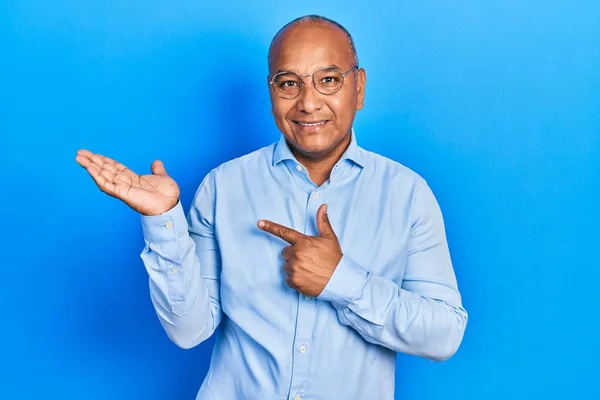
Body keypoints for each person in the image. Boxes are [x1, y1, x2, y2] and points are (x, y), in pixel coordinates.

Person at [75, 14, 467, 400]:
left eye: (328, 80)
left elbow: (445, 334)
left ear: (359, 87)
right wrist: (162, 220)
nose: (309, 103)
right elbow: (188, 330)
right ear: (271, 92)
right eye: (289, 84)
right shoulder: (223, 186)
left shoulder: (407, 194)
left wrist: (343, 282)